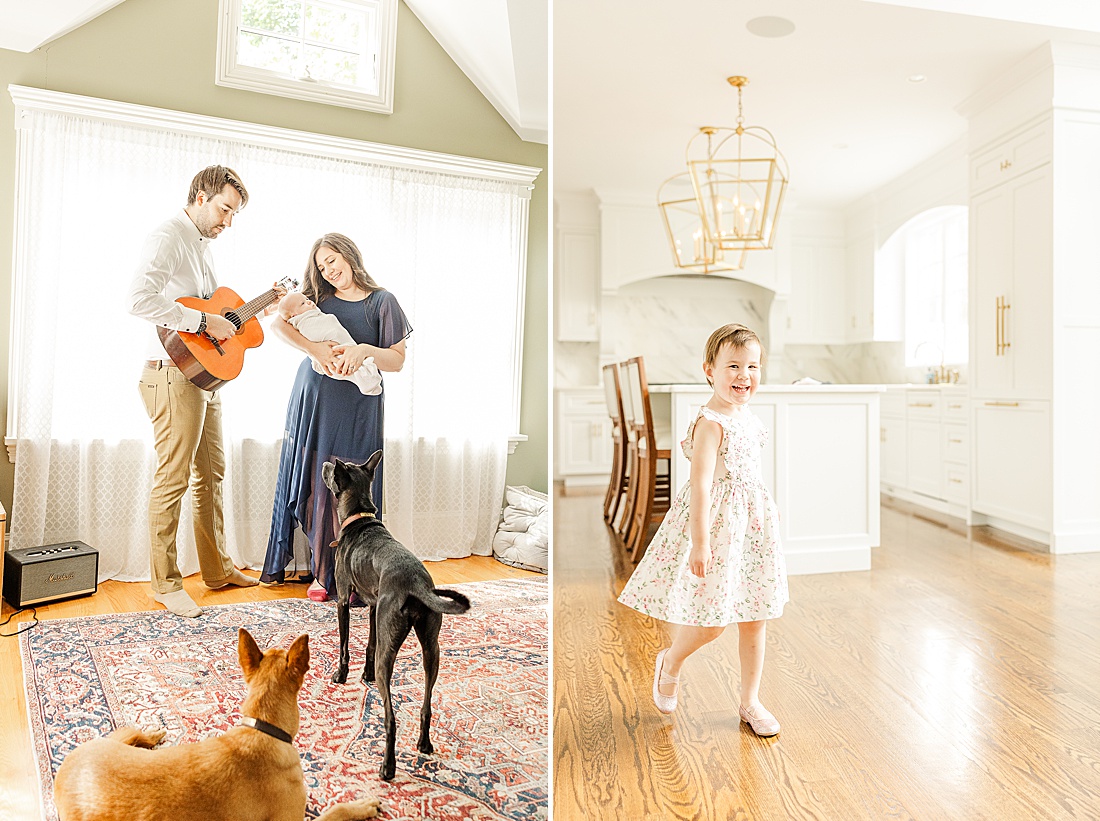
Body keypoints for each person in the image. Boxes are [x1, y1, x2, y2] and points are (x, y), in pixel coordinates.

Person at [617, 324, 789, 736]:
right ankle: (671, 661)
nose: (743, 375)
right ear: (709, 370)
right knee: (713, 623)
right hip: (717, 531)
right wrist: (701, 542)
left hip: (752, 532)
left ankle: (751, 701)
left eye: (752, 366)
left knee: (756, 616)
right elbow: (701, 485)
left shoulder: (748, 418)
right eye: (732, 365)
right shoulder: (711, 423)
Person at [127, 165, 281, 618]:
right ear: (200, 195)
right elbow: (138, 299)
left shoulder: (201, 246)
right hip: (170, 374)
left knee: (211, 472)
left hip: (202, 377)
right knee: (173, 477)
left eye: (234, 214)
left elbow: (217, 318)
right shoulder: (168, 236)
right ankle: (165, 582)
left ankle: (217, 570)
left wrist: (247, 317)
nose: (228, 222)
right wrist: (199, 322)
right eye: (224, 209)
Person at [260, 233, 412, 602]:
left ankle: (352, 572)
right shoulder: (318, 299)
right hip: (315, 397)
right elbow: (279, 324)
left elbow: (396, 359)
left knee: (352, 492)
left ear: (349, 255)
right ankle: (322, 571)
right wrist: (314, 349)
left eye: (332, 260)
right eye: (321, 266)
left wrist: (363, 351)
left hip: (358, 408)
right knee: (316, 485)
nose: (328, 270)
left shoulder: (382, 301)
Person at [277, 291, 382, 395]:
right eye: (303, 303)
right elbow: (276, 326)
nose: (309, 302)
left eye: (307, 299)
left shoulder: (381, 299)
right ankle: (366, 379)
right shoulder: (303, 320)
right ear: (294, 315)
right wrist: (312, 348)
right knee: (341, 363)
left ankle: (366, 377)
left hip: (337, 374)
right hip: (316, 379)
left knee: (348, 362)